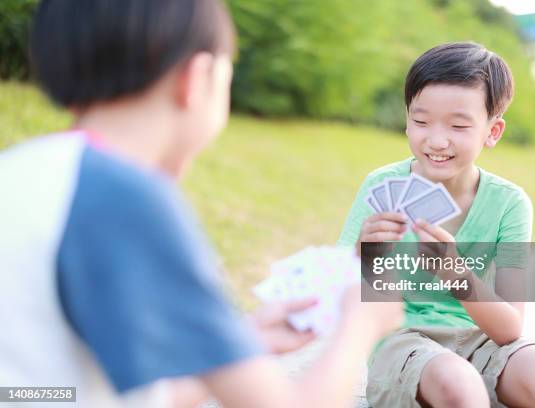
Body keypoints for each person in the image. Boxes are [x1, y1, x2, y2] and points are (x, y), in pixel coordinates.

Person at [0, 0, 403, 407]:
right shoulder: (128, 198)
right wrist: (362, 325)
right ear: (197, 77)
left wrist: (241, 343)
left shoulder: (22, 169)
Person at [338, 42, 535, 408]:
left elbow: (508, 328)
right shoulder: (382, 186)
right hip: (402, 341)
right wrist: (364, 254)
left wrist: (455, 273)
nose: (436, 140)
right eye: (420, 121)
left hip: (480, 339)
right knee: (460, 386)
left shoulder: (509, 203)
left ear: (493, 131)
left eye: (458, 125)